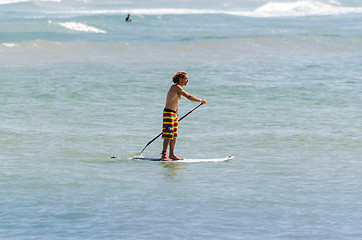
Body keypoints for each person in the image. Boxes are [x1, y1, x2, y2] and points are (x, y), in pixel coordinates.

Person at [161, 71, 207, 161]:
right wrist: (200, 100)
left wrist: (177, 115)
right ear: (180, 79)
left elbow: (176, 103)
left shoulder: (178, 88)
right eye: (186, 78)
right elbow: (188, 96)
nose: (187, 80)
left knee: (174, 136)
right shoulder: (176, 87)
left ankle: (172, 154)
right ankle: (163, 155)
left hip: (174, 114)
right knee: (168, 135)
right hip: (168, 113)